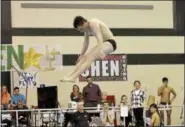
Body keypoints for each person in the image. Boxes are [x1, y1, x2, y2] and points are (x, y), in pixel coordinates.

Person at [60, 16, 117, 82]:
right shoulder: (86, 30)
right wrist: (81, 56)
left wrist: (100, 50)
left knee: (90, 58)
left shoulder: (93, 23)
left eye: (81, 29)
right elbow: (86, 44)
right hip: (103, 43)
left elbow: (99, 36)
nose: (81, 31)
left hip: (110, 43)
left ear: (83, 23)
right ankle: (70, 75)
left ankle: (74, 77)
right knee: (84, 57)